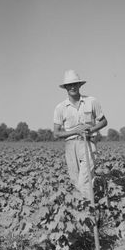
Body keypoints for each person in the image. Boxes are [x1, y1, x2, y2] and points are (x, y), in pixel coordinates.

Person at [53, 70, 107, 200]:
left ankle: (89, 212)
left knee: (84, 181)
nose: (72, 87)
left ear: (79, 85)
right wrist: (75, 131)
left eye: (75, 84)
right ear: (65, 87)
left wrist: (92, 129)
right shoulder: (60, 108)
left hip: (88, 143)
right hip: (71, 146)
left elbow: (104, 121)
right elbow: (56, 133)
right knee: (77, 182)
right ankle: (86, 205)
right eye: (69, 85)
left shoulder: (91, 101)